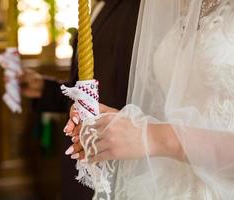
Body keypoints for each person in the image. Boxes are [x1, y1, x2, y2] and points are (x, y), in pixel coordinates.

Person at [66, 0, 234, 199]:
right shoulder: (172, 5)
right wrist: (122, 125)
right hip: (163, 185)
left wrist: (153, 137)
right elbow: (167, 108)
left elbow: (158, 135)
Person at [18, 0, 141, 199]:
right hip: (78, 156)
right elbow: (86, 91)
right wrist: (45, 89)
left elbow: (128, 91)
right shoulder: (95, 7)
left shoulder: (135, 8)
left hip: (109, 163)